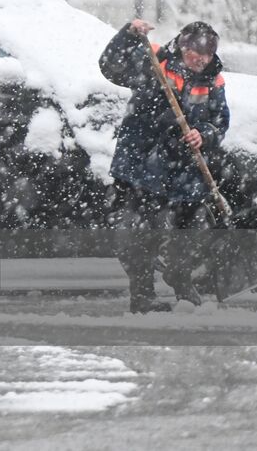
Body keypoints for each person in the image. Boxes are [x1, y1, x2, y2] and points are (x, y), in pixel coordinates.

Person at [99, 18, 229, 313]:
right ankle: (142, 295)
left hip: (185, 166)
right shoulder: (156, 60)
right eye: (196, 52)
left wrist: (204, 134)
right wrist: (129, 35)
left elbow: (220, 121)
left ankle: (180, 279)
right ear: (183, 47)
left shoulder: (214, 79)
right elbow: (111, 67)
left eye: (208, 54)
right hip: (145, 161)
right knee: (145, 231)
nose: (202, 59)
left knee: (188, 230)